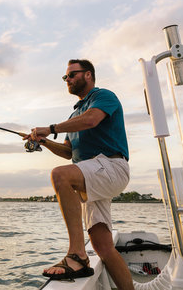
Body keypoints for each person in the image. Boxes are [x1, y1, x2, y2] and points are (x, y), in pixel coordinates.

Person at [24, 59, 133, 289]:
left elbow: (92, 120)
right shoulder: (74, 116)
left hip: (111, 167)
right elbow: (67, 152)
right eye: (66, 77)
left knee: (60, 176)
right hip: (92, 175)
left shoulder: (103, 97)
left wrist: (51, 128)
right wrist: (44, 141)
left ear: (89, 75)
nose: (68, 80)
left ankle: (77, 255)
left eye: (72, 75)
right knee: (103, 247)